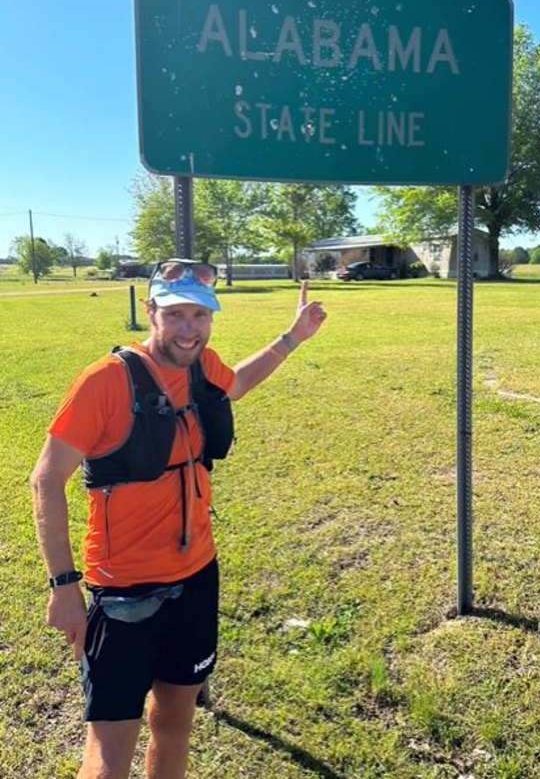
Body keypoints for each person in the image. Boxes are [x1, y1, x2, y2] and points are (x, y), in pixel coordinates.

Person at [31, 259, 326, 779]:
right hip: (124, 592)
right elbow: (47, 479)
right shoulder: (105, 381)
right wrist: (63, 587)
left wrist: (293, 337)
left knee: (175, 723)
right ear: (151, 312)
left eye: (201, 315)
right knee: (108, 755)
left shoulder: (201, 365)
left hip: (195, 578)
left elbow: (236, 384)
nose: (190, 329)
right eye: (176, 315)